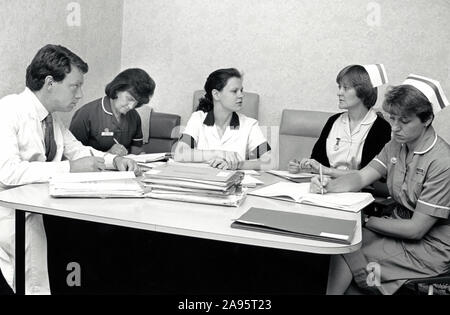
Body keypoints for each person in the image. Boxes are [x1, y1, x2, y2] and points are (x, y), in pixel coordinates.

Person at [0, 44, 138, 295]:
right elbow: (8, 172)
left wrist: (112, 161)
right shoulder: (9, 111)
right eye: (75, 86)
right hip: (10, 214)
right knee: (33, 283)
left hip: (39, 207)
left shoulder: (51, 118)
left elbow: (78, 150)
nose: (80, 94)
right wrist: (68, 169)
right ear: (50, 82)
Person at [310, 75, 450, 295]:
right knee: (341, 243)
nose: (394, 128)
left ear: (427, 119)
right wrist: (327, 186)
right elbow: (362, 176)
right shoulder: (397, 144)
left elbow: (416, 230)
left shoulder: (442, 162)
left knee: (349, 252)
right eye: (392, 118)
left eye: (403, 121)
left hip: (427, 246)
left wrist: (365, 220)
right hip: (395, 226)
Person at [289, 64, 391, 177]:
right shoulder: (333, 121)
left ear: (363, 91)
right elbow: (317, 161)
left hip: (358, 192)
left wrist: (327, 171)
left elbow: (371, 176)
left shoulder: (381, 128)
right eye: (339, 87)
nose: (339, 93)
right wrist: (303, 167)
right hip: (325, 187)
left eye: (346, 88)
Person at [174, 68, 272, 170]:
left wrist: (237, 164)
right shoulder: (198, 118)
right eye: (234, 91)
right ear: (216, 94)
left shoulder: (249, 124)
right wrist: (219, 153)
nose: (241, 95)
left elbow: (269, 161)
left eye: (241, 90)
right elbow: (180, 153)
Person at [70, 68, 155, 156]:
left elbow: (136, 149)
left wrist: (141, 155)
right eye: (129, 99)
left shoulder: (134, 116)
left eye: (137, 102)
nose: (131, 106)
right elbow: (72, 154)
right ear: (117, 89)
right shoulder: (86, 114)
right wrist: (108, 154)